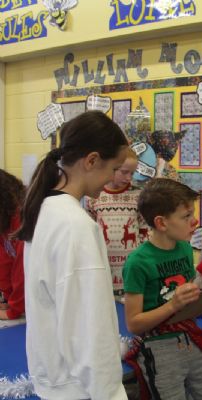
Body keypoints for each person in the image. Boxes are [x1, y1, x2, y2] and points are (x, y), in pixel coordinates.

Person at [18, 111, 129, 400]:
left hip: (55, 379)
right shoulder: (75, 225)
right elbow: (90, 326)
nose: (113, 179)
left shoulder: (43, 210)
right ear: (91, 161)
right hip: (80, 388)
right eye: (114, 168)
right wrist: (111, 393)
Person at [123, 178, 202, 400]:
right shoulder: (137, 262)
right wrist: (173, 305)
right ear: (161, 223)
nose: (194, 221)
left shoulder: (184, 248)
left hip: (190, 337)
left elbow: (188, 304)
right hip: (158, 347)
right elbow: (134, 323)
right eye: (186, 216)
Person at [85, 147, 149, 296]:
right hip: (104, 263)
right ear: (112, 168)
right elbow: (89, 230)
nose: (128, 178)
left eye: (132, 173)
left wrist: (142, 257)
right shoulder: (93, 195)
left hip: (131, 264)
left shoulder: (138, 195)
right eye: (124, 172)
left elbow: (144, 227)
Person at [0, 169, 25, 320]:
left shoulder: (21, 219)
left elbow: (23, 268)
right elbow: (3, 263)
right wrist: (8, 300)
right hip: (20, 303)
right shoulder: (4, 222)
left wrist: (13, 310)